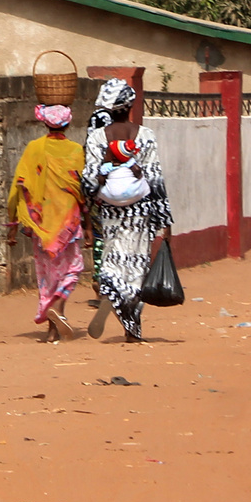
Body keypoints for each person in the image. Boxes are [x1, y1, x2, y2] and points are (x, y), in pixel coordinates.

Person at [81, 79, 173, 343]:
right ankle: (132, 328)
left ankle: (110, 290)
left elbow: (89, 181)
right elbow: (155, 180)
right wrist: (164, 222)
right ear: (131, 105)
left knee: (112, 257)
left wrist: (89, 203)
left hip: (110, 211)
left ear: (108, 108)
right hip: (140, 212)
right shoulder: (146, 136)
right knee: (136, 266)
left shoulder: (97, 136)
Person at [8, 103, 88, 341]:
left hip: (41, 225)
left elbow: (19, 187)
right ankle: (59, 306)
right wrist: (92, 225)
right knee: (73, 269)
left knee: (47, 277)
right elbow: (82, 189)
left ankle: (52, 330)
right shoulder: (75, 151)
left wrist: (13, 225)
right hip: (68, 224)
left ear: (45, 123)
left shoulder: (34, 149)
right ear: (68, 124)